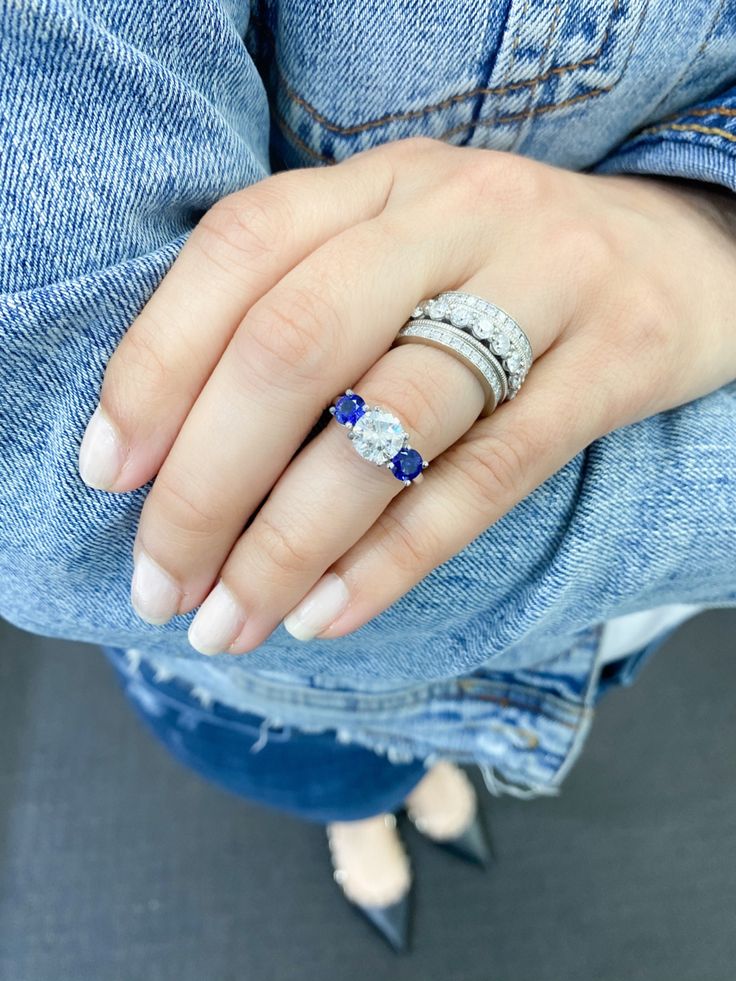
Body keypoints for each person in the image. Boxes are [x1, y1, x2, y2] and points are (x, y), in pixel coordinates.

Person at [1, 0, 735, 954]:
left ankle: (409, 769)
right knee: (335, 770)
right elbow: (61, 498)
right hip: (273, 692)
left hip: (580, 632)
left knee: (399, 734)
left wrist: (699, 227)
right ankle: (358, 814)